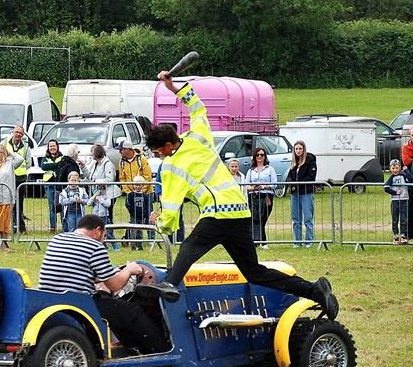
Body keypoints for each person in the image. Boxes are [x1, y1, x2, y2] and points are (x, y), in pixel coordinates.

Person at [140, 70, 338, 317]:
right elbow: (197, 106)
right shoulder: (198, 136)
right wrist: (173, 87)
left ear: (168, 146)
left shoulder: (171, 166)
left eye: (158, 152)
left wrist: (159, 223)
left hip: (217, 214)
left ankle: (170, 284)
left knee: (190, 245)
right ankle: (315, 290)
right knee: (254, 272)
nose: (158, 156)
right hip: (241, 211)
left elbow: (170, 210)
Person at [38, 214, 170, 355]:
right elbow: (115, 285)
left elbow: (75, 271)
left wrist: (113, 272)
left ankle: (133, 349)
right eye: (104, 236)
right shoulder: (94, 246)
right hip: (80, 303)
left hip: (52, 298)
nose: (103, 240)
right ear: (97, 230)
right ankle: (163, 350)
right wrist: (129, 270)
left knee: (109, 302)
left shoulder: (58, 239)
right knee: (131, 311)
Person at [118, 138, 154, 249]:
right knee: (134, 217)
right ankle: (134, 240)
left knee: (147, 215)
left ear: (127, 149)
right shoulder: (122, 162)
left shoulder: (141, 159)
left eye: (121, 149)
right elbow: (122, 178)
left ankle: (151, 238)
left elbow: (148, 176)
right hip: (132, 194)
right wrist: (130, 193)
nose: (119, 152)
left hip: (146, 193)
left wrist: (141, 190)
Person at [85, 143, 120, 250]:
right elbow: (90, 176)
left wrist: (96, 181)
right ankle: (103, 242)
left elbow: (110, 179)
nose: (91, 154)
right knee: (99, 220)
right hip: (97, 194)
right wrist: (83, 167)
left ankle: (112, 241)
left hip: (108, 195)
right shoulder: (95, 164)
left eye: (92, 152)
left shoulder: (107, 164)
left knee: (107, 219)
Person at [286, 140, 317, 247]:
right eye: (296, 149)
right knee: (296, 219)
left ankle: (309, 241)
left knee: (308, 218)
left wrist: (298, 184)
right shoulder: (294, 163)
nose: (298, 151)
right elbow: (289, 176)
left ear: (304, 149)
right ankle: (297, 241)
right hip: (295, 194)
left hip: (306, 193)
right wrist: (291, 184)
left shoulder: (310, 161)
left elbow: (311, 176)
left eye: (300, 149)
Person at [246, 147, 277, 248]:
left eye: (262, 155)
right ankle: (262, 242)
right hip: (254, 197)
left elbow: (274, 184)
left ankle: (258, 241)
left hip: (266, 196)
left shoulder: (270, 169)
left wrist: (263, 187)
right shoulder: (251, 171)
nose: (260, 156)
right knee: (255, 219)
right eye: (257, 155)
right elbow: (247, 185)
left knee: (263, 219)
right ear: (254, 157)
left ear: (265, 157)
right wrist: (254, 188)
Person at [4, 125, 33, 234]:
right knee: (11, 203)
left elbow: (28, 163)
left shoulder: (26, 146)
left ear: (23, 135)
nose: (18, 135)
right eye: (16, 132)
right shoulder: (4, 143)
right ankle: (17, 227)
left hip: (21, 178)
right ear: (13, 132)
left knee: (19, 203)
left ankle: (19, 227)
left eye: (20, 133)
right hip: (8, 177)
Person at [383, 159, 413, 244]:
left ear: (400, 168)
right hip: (395, 200)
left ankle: (403, 235)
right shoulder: (391, 178)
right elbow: (386, 188)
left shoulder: (403, 176)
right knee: (395, 219)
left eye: (396, 168)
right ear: (390, 169)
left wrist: (406, 171)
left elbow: (411, 179)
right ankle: (396, 235)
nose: (395, 170)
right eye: (393, 168)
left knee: (404, 219)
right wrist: (395, 192)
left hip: (404, 199)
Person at [40, 140, 66, 233]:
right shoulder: (45, 158)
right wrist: (57, 165)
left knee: (62, 205)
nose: (52, 148)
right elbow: (43, 167)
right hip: (49, 184)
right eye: (50, 146)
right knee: (52, 207)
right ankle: (53, 227)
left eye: (54, 146)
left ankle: (64, 226)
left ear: (57, 147)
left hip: (60, 184)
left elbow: (63, 166)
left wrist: (51, 165)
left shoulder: (63, 157)